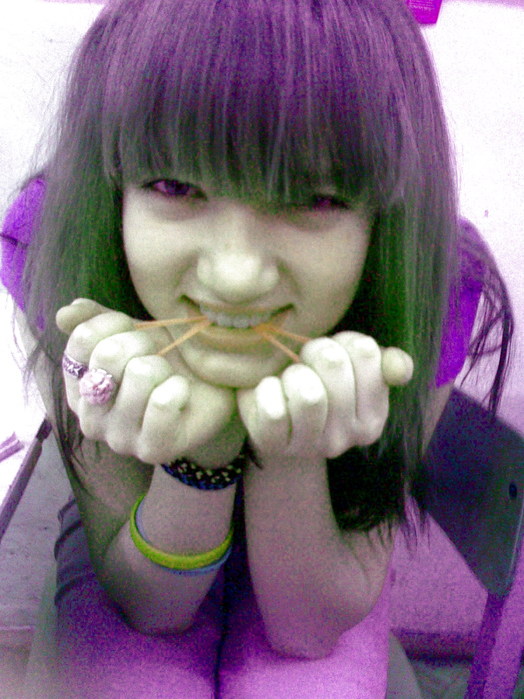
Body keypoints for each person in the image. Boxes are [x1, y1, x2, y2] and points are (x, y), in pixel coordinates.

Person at [0, 0, 513, 696]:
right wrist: (201, 458)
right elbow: (151, 609)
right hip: (140, 541)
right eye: (175, 185)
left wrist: (291, 447)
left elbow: (305, 631)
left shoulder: (431, 283)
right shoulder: (61, 248)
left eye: (315, 199)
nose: (236, 275)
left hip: (321, 553)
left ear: (383, 213)